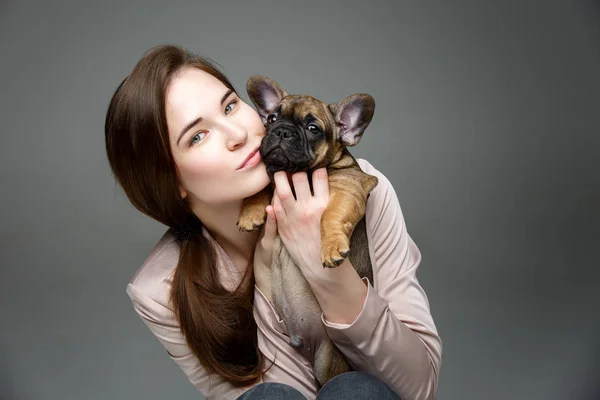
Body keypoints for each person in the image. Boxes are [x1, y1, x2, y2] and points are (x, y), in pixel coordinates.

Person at [104, 44, 442, 400]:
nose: (236, 134)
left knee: (356, 391)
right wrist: (267, 273)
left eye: (230, 106)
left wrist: (327, 273)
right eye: (198, 136)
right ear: (170, 182)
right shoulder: (160, 290)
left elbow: (420, 388)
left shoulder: (363, 192)